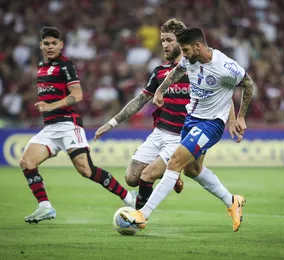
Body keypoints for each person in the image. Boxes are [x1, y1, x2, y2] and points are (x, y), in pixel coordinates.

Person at [94, 19, 243, 210]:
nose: (164, 45)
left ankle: (138, 216)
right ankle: (172, 177)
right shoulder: (160, 72)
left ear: (181, 42)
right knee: (132, 178)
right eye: (162, 40)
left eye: (169, 40)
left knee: (149, 175)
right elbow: (140, 100)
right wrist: (111, 123)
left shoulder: (198, 69)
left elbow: (223, 94)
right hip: (159, 132)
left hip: (182, 136)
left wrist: (233, 119)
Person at [121, 27, 253, 232]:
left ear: (198, 46)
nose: (183, 54)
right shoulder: (190, 60)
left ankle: (142, 214)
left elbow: (248, 83)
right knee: (193, 170)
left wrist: (240, 117)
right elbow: (177, 71)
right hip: (191, 120)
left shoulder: (226, 66)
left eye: (185, 49)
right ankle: (232, 201)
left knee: (174, 162)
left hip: (211, 124)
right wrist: (160, 90)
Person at [20, 26, 136, 224]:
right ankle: (45, 207)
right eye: (46, 43)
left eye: (54, 43)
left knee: (86, 170)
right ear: (41, 45)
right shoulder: (40, 66)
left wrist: (51, 106)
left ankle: (128, 197)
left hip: (67, 124)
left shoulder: (66, 65)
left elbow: (77, 95)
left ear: (61, 45)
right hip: (50, 128)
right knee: (26, 162)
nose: (50, 47)